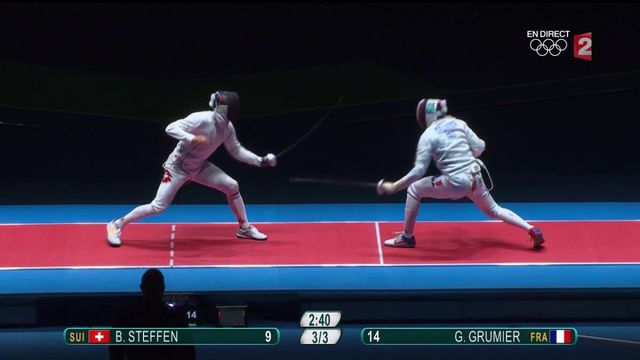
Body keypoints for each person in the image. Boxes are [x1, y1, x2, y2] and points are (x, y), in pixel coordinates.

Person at [107, 90, 277, 247]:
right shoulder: (202, 118)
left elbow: (236, 150)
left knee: (232, 186)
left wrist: (260, 161)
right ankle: (116, 225)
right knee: (158, 207)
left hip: (199, 166)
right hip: (177, 168)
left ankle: (244, 228)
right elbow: (171, 127)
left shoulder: (227, 129)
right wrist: (192, 138)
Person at [377, 98, 545, 248]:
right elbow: (480, 146)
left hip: (455, 182)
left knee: (414, 189)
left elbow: (419, 171)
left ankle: (407, 237)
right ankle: (530, 228)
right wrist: (466, 156)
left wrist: (394, 186)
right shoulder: (459, 124)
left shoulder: (428, 135)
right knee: (494, 210)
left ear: (425, 117)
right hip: (474, 177)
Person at [109, 268, 196, 360]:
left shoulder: (127, 315)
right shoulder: (177, 317)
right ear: (163, 288)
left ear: (142, 288)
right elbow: (189, 353)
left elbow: (115, 351)